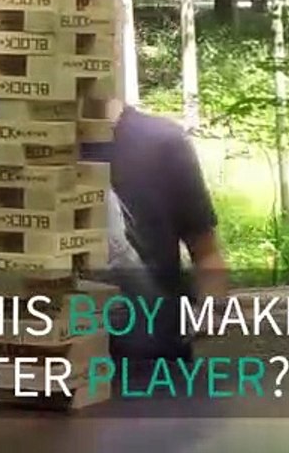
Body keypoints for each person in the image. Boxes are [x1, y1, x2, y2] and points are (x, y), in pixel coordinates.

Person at [80, 99, 229, 365]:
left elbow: (207, 253)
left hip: (155, 361)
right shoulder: (33, 142)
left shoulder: (162, 141)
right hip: (53, 366)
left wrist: (211, 308)